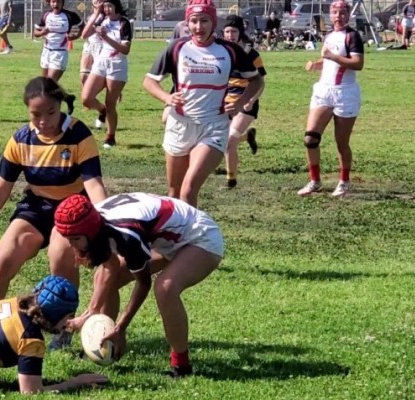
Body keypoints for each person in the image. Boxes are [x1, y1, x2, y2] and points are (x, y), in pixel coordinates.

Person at [0, 77, 107, 348]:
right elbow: (1, 190)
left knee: (60, 255)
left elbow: (93, 184)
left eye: (51, 113)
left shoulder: (79, 135)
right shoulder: (20, 140)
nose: (44, 121)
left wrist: (106, 219)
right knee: (2, 260)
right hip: (36, 207)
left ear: (60, 107)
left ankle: (64, 329)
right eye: (36, 114)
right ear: (27, 111)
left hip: (72, 209)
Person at [53, 193, 223, 377]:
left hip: (201, 237)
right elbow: (111, 267)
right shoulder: (95, 219)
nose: (71, 245)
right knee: (104, 278)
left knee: (164, 288)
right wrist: (90, 312)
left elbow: (143, 283)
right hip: (169, 240)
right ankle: (102, 341)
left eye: (75, 239)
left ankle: (181, 365)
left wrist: (121, 328)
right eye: (68, 238)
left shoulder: (126, 234)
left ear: (90, 230)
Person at [142, 0, 262, 207]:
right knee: (174, 192)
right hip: (180, 124)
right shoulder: (177, 48)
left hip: (214, 125)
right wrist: (167, 98)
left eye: (204, 21)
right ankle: (175, 236)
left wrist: (242, 101)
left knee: (188, 189)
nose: (199, 27)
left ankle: (192, 237)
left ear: (213, 22)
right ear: (187, 23)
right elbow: (149, 81)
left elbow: (256, 79)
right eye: (194, 21)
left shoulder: (230, 50)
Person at [299, 0, 363, 197]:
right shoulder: (329, 36)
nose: (338, 16)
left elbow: (357, 63)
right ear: (330, 15)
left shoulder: (352, 36)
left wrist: (332, 56)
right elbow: (328, 62)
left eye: (342, 13)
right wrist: (316, 64)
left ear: (348, 15)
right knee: (310, 139)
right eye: (335, 13)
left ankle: (344, 182)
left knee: (341, 143)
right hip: (324, 91)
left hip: (345, 93)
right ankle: (315, 181)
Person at [81, 0, 132, 149]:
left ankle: (110, 137)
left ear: (116, 6)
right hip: (101, 62)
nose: (107, 9)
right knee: (86, 98)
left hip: (117, 65)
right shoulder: (102, 19)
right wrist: (96, 13)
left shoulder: (124, 23)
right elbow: (84, 35)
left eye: (110, 6)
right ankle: (101, 110)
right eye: (105, 6)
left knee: (111, 104)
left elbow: (125, 49)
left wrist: (106, 37)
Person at [223, 15, 266, 189]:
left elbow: (261, 82)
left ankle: (231, 180)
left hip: (246, 102)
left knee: (230, 140)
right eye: (227, 31)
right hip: (226, 102)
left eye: (233, 31)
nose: (230, 35)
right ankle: (248, 136)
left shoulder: (252, 54)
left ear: (240, 33)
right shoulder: (222, 52)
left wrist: (251, 100)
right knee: (220, 138)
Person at [34, 0, 83, 82]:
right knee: (44, 83)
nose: (56, 4)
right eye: (53, 2)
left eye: (58, 2)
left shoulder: (69, 15)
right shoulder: (46, 15)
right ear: (49, 2)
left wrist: (75, 36)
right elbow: (35, 32)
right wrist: (42, 32)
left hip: (60, 53)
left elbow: (83, 27)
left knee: (50, 83)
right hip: (46, 52)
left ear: (62, 3)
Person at [79, 0, 103, 88]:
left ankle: (115, 87)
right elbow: (84, 36)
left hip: (102, 48)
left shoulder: (108, 15)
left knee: (102, 79)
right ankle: (87, 97)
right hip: (89, 46)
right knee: (83, 76)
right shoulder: (90, 16)